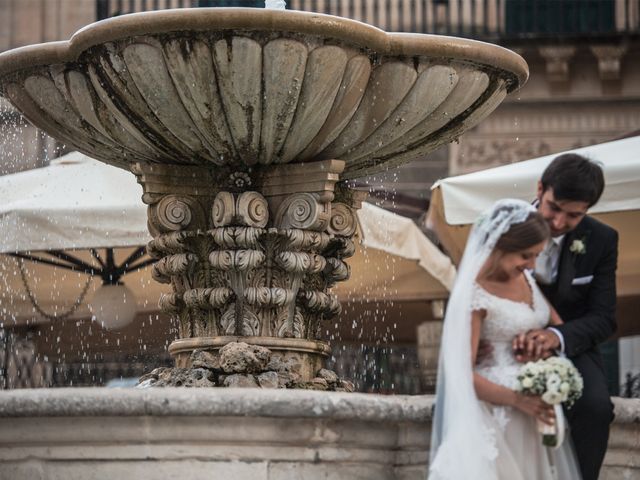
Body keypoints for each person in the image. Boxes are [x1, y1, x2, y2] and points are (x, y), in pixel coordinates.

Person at [429, 199, 582, 479]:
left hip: (533, 413)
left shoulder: (527, 280)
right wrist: (517, 400)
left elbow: (557, 326)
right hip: (498, 412)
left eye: (537, 255)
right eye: (526, 255)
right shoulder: (474, 294)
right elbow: (459, 372)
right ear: (499, 247)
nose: (531, 265)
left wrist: (541, 345)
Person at [513, 153, 617, 480]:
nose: (558, 223)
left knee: (597, 408)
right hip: (507, 333)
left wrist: (556, 338)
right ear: (540, 189)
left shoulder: (602, 240)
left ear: (587, 210)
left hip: (568, 341)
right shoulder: (506, 224)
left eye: (573, 216)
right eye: (553, 208)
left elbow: (603, 318)